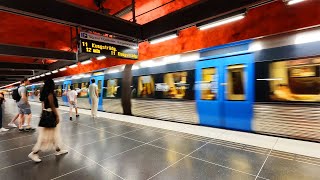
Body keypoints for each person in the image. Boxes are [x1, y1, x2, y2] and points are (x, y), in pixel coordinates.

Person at [28, 79, 68, 163]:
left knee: (54, 136)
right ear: (51, 85)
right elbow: (52, 104)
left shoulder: (44, 92)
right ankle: (34, 153)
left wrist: (43, 112)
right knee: (45, 138)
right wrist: (57, 115)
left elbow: (43, 105)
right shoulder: (50, 93)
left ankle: (58, 150)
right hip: (51, 115)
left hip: (47, 114)